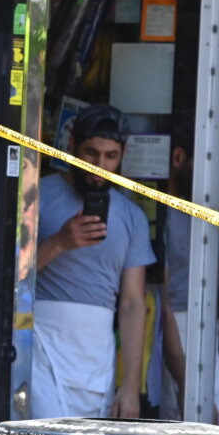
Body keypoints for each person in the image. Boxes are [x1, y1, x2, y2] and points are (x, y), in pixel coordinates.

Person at [31, 103, 154, 419]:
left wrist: (130, 386)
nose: (100, 165)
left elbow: (131, 304)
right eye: (91, 153)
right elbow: (11, 275)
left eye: (111, 156)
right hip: (41, 341)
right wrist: (59, 243)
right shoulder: (35, 195)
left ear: (122, 154)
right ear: (71, 145)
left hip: (96, 354)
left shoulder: (132, 217)